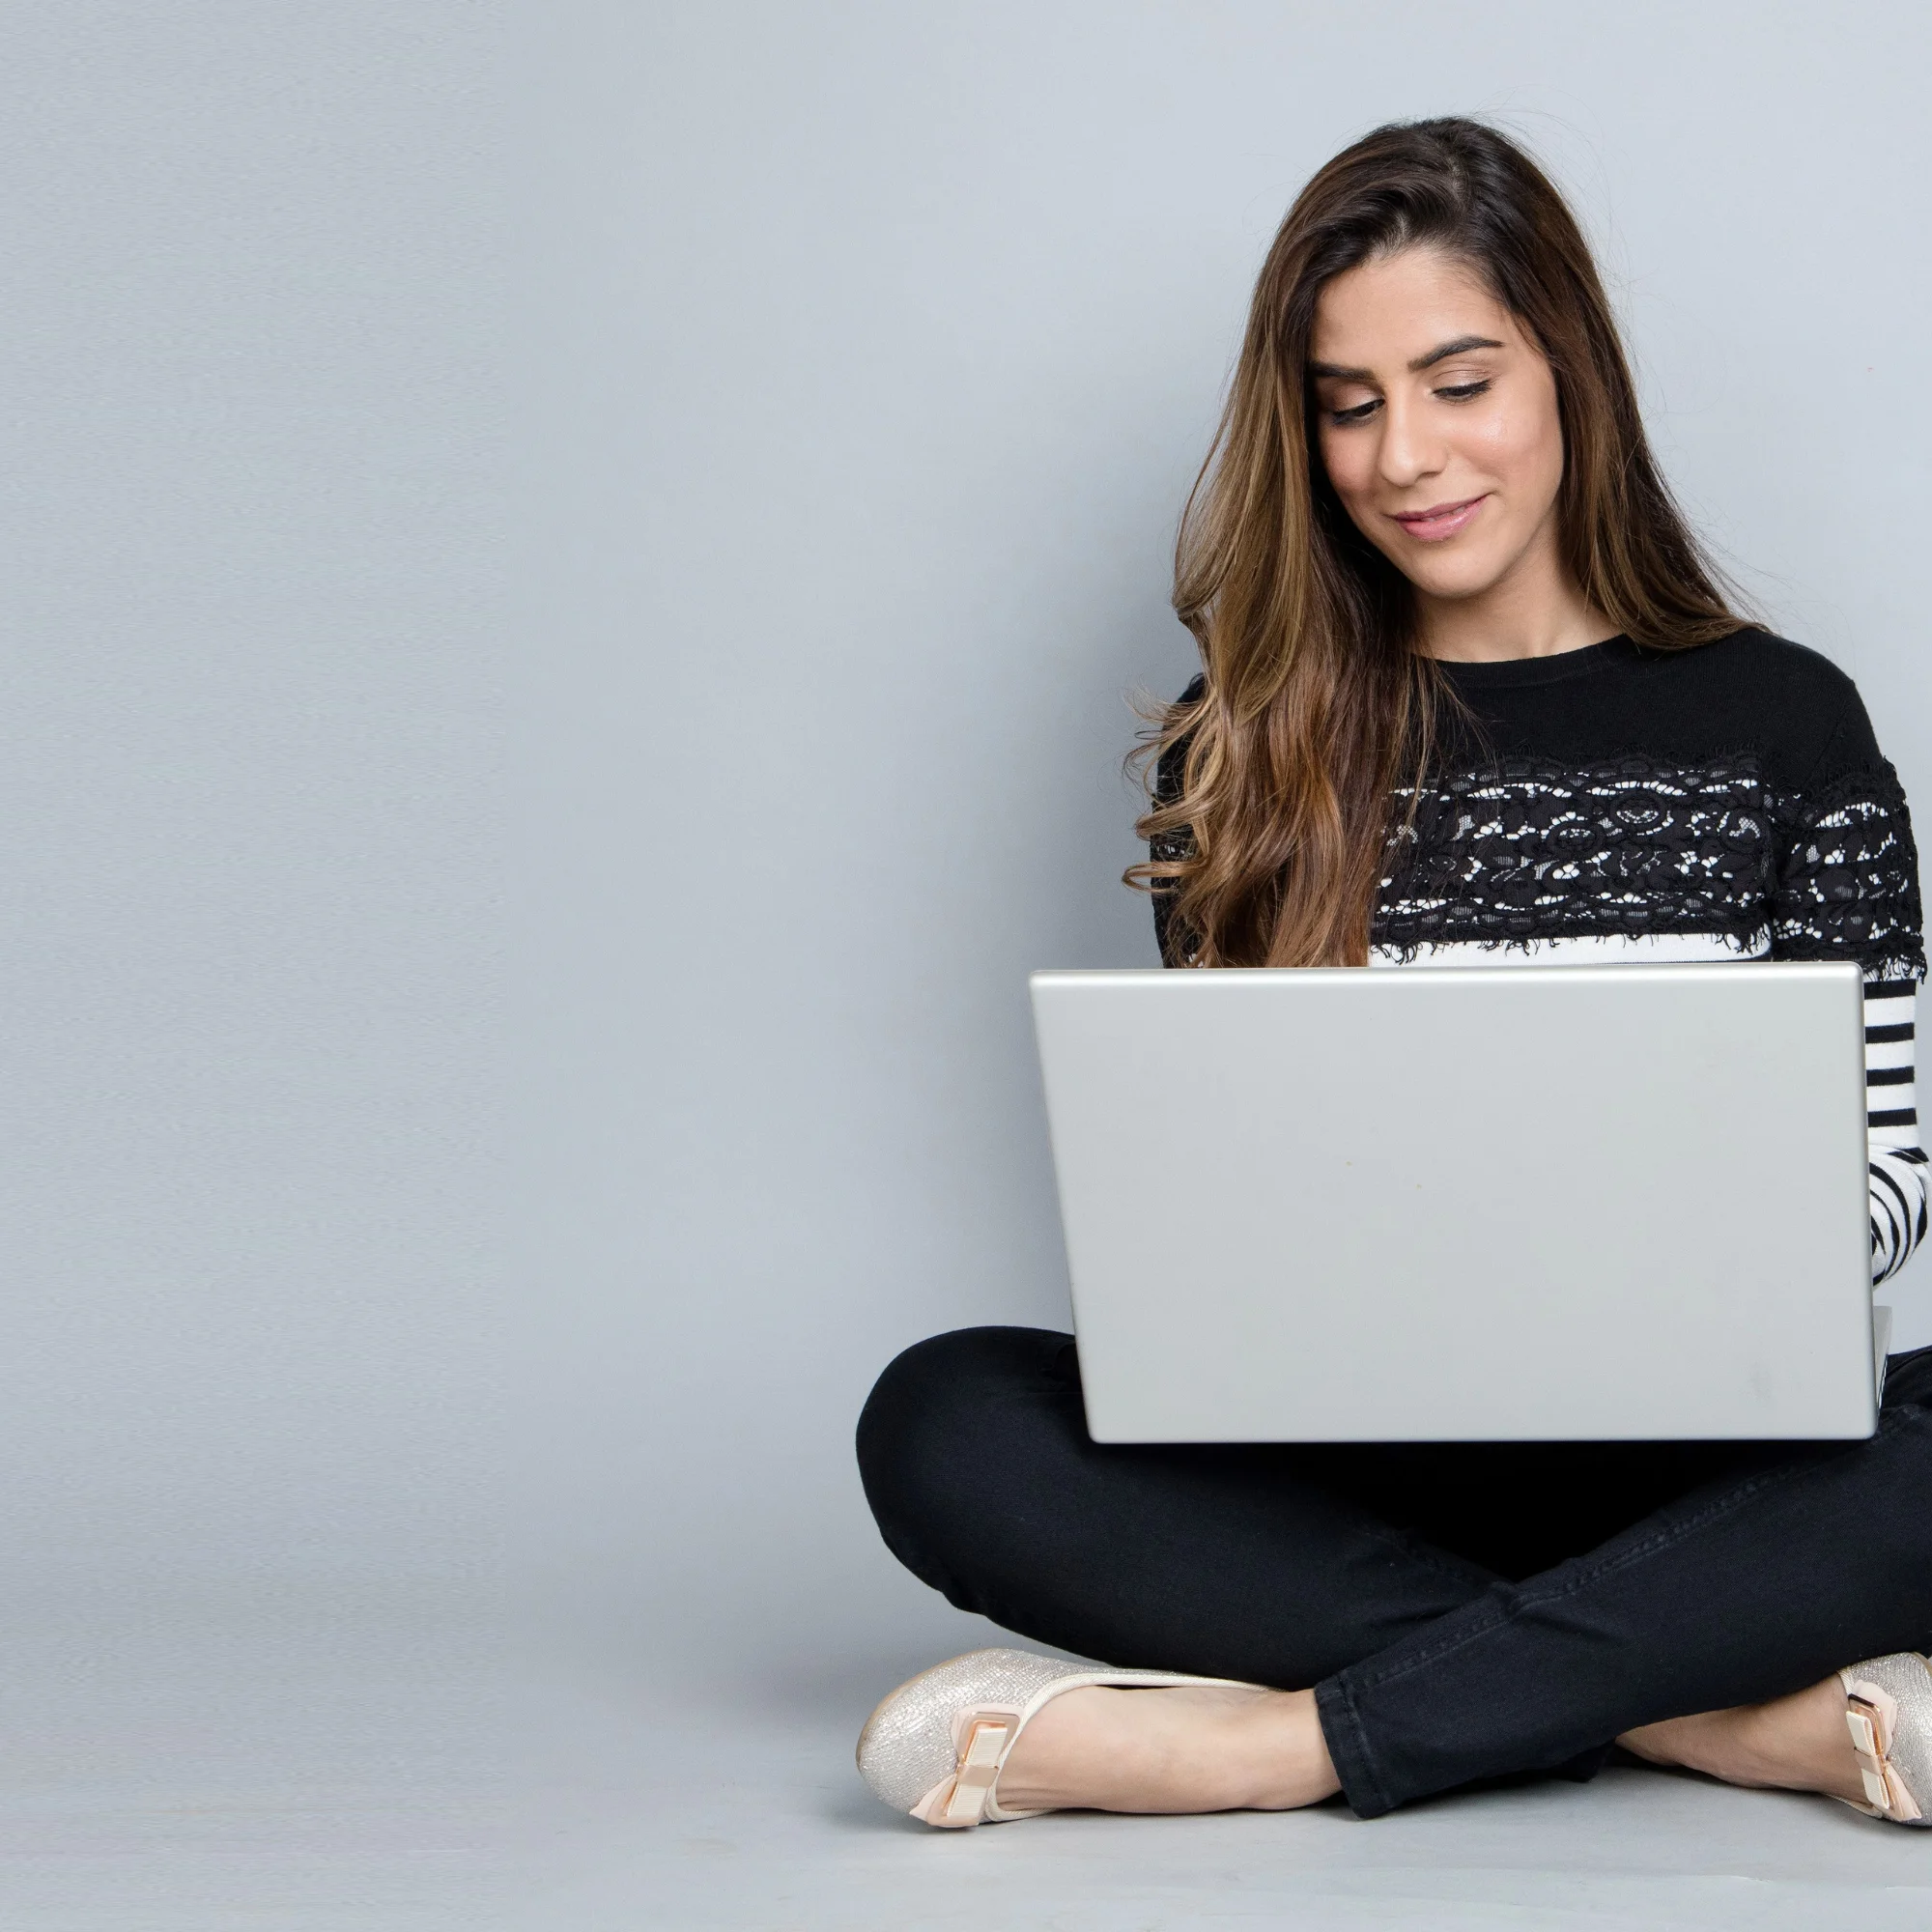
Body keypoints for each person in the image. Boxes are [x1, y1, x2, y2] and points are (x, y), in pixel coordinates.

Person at [852, 117, 1932, 1830]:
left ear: (1569, 369)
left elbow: (1887, 1181)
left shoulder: (1789, 723)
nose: (1404, 456)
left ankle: (1278, 1742)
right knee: (939, 1420)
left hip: (1710, 1463)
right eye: (1349, 404)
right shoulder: (1247, 744)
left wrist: (1665, 1228)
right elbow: (1212, 1217)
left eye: (1457, 381)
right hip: (1349, 1476)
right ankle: (1711, 1710)